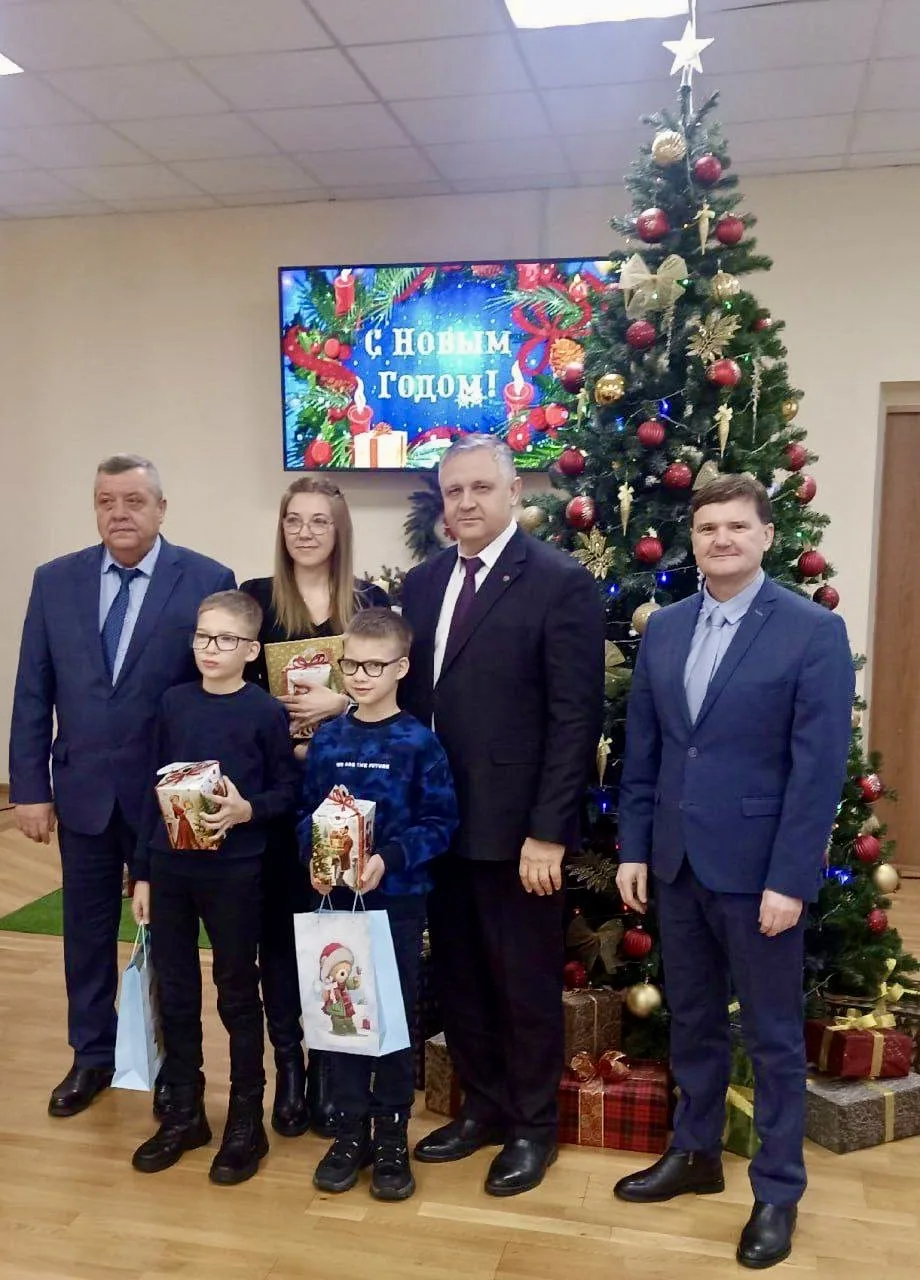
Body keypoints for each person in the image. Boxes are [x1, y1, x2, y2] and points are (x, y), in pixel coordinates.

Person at [614, 475, 854, 1270]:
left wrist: (792, 879)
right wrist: (635, 849)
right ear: (693, 538)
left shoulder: (811, 632)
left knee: (775, 1037)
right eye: (708, 526)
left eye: (737, 527)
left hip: (760, 876)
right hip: (677, 863)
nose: (721, 539)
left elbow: (817, 771)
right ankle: (695, 1153)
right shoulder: (665, 628)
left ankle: (777, 1191)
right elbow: (647, 751)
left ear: (766, 536)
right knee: (691, 1019)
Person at [398, 435, 605, 1197]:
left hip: (520, 833)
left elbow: (574, 719)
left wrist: (548, 831)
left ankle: (531, 1127)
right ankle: (481, 1107)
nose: (466, 503)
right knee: (460, 978)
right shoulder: (422, 584)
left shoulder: (558, 582)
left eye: (481, 487)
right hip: (439, 825)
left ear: (515, 492)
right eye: (453, 491)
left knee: (522, 985)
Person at [9, 454, 234, 1119]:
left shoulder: (206, 579)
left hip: (168, 800)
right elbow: (32, 692)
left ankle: (171, 1063)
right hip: (82, 791)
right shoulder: (55, 582)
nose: (120, 513)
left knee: (171, 936)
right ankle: (92, 1055)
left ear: (161, 508)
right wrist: (30, 788)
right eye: (106, 501)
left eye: (134, 501)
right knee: (84, 933)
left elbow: (214, 696)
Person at [130, 590, 299, 1185]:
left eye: (226, 639)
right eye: (203, 636)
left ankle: (246, 1121)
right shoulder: (173, 703)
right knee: (175, 991)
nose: (211, 648)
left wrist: (248, 810)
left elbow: (287, 791)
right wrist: (142, 871)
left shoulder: (264, 712)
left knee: (236, 992)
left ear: (251, 650)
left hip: (235, 871)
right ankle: (185, 1112)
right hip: (170, 869)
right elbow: (150, 789)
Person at [241, 477, 388, 1139]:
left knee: (336, 929)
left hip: (345, 797)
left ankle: (332, 1068)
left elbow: (394, 695)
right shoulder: (255, 599)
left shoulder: (369, 603)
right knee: (278, 935)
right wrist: (284, 721)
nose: (304, 532)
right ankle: (289, 1069)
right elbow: (234, 696)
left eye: (318, 521)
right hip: (276, 798)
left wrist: (342, 702)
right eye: (293, 520)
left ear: (339, 531)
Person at [298, 608, 458, 1201]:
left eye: (374, 666)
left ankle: (391, 1136)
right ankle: (349, 1134)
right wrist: (314, 859)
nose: (361, 677)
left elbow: (441, 823)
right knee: (342, 1017)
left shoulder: (419, 743)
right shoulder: (328, 738)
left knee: (389, 1019)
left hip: (396, 906)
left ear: (402, 667)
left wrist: (389, 856)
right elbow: (307, 812)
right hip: (336, 906)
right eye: (352, 665)